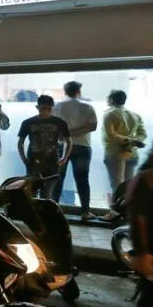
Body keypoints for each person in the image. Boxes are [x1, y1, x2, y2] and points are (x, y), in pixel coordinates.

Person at [53, 81, 97, 220]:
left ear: (65, 92)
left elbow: (53, 126)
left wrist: (67, 134)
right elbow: (93, 126)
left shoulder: (57, 106)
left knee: (57, 179)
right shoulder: (87, 107)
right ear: (79, 92)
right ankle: (85, 212)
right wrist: (73, 133)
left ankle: (53, 211)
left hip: (62, 146)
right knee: (82, 179)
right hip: (82, 146)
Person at [18, 95, 72, 200]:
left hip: (49, 161)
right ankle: (40, 210)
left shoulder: (59, 122)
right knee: (38, 192)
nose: (45, 111)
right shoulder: (28, 122)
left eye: (48, 108)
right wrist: (23, 158)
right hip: (37, 161)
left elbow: (69, 141)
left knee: (44, 192)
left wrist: (64, 158)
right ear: (37, 107)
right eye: (43, 108)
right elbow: (20, 143)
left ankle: (41, 210)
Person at [127, 156, 153, 307]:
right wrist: (143, 253)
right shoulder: (147, 179)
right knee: (151, 296)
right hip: (151, 249)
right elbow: (139, 218)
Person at [102, 89, 147, 194]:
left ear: (111, 100)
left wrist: (130, 140)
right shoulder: (135, 115)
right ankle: (127, 204)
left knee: (117, 185)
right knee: (128, 186)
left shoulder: (109, 114)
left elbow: (111, 135)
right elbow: (143, 134)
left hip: (115, 153)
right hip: (132, 153)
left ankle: (118, 205)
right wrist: (135, 142)